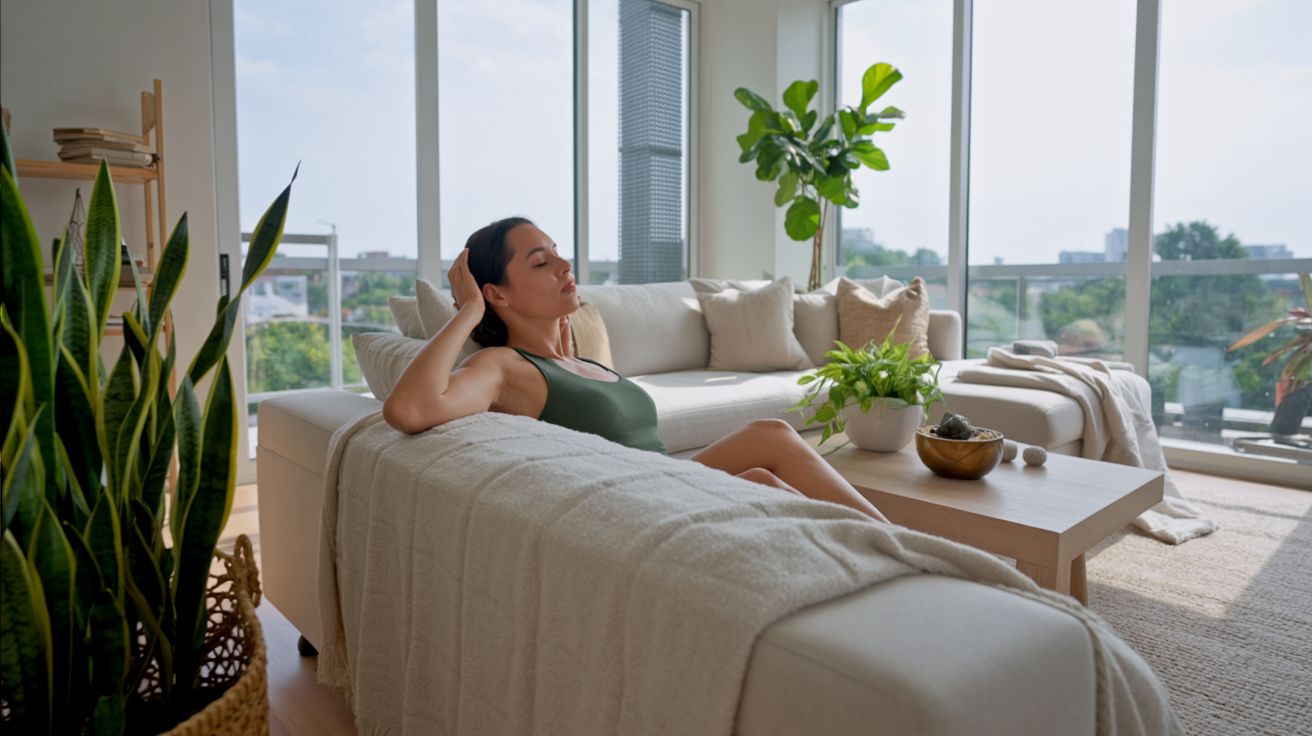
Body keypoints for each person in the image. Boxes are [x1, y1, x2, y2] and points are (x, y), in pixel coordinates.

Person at [384, 217, 889, 522]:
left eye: (559, 252)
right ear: (496, 293)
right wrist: (468, 313)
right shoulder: (501, 365)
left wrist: (571, 356)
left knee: (771, 438)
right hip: (633, 505)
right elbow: (408, 408)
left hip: (663, 479)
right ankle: (890, 557)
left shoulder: (572, 356)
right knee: (763, 472)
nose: (564, 266)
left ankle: (887, 546)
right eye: (541, 263)